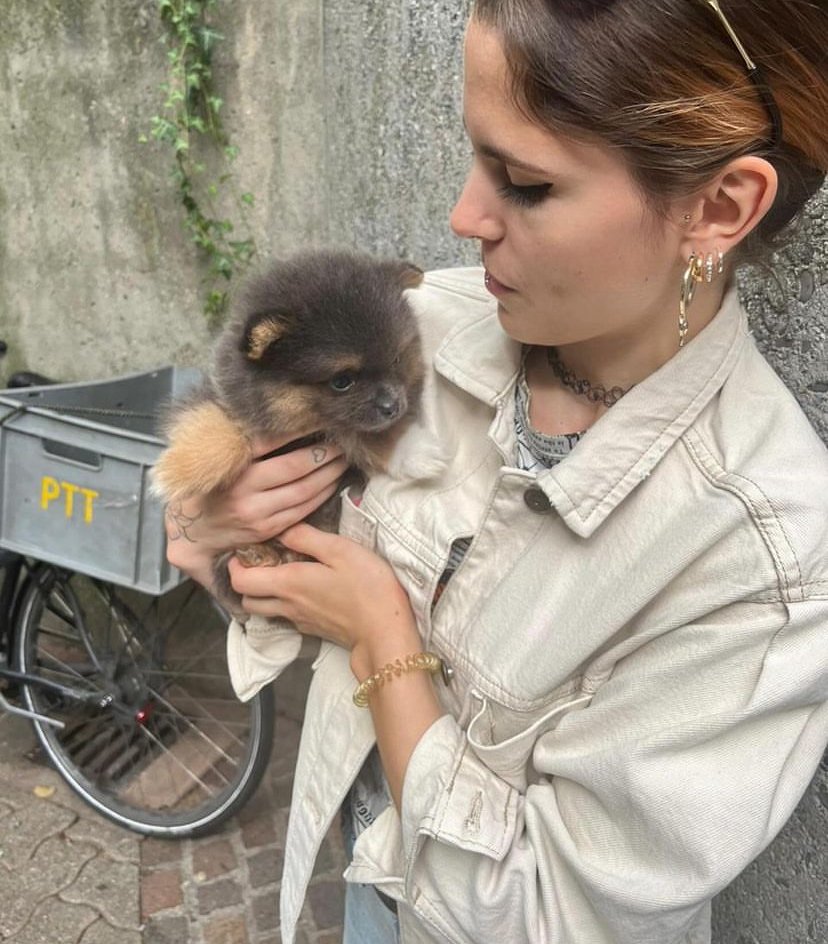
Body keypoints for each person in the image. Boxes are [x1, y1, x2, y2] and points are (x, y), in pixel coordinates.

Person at [165, 1, 828, 941]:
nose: (463, 215)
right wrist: (215, 535)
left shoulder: (767, 562)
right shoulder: (419, 330)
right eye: (476, 157)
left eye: (524, 184)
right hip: (368, 875)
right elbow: (241, 532)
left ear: (720, 209)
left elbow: (559, 915)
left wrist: (384, 638)